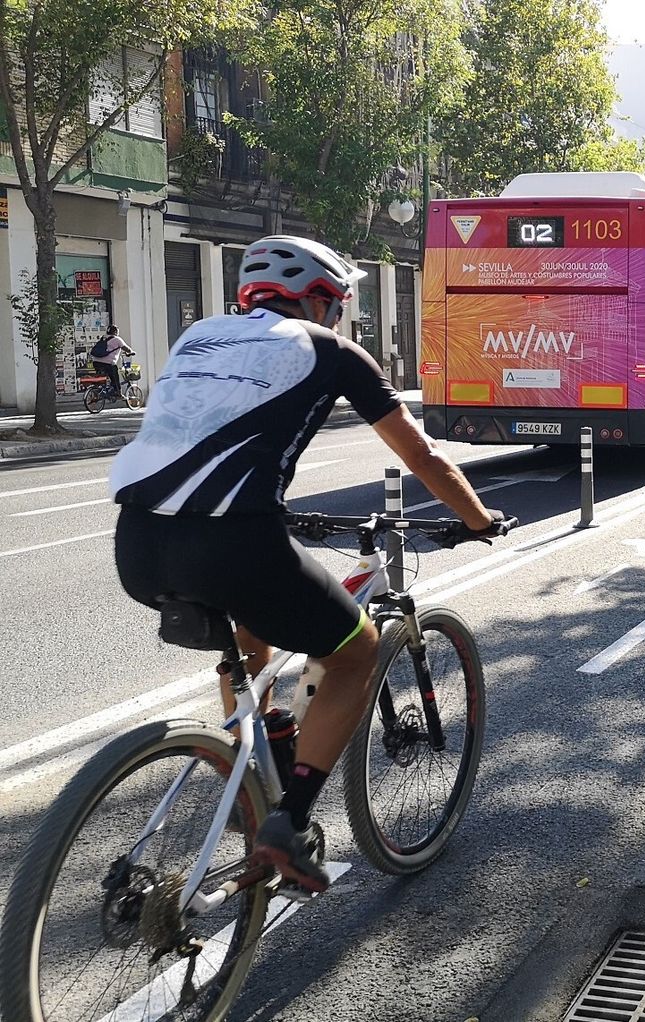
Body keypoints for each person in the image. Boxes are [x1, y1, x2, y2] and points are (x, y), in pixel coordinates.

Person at [108, 235, 504, 892]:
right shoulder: (331, 352)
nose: (338, 317)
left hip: (139, 546)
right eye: (337, 304)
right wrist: (477, 518)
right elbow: (423, 456)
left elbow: (199, 437)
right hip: (235, 542)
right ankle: (287, 822)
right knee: (355, 654)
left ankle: (249, 766)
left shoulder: (198, 338)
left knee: (250, 637)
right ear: (320, 300)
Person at [90, 324, 135, 402]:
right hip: (108, 363)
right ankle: (118, 393)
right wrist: (131, 352)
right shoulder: (117, 339)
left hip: (96, 362)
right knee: (115, 378)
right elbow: (126, 348)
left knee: (101, 377)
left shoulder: (103, 338)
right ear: (115, 331)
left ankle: (98, 390)